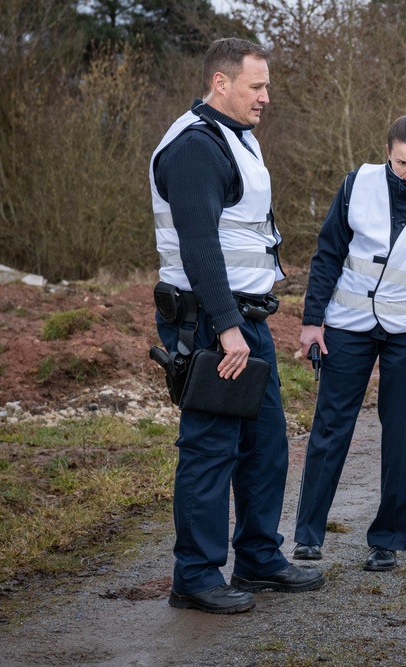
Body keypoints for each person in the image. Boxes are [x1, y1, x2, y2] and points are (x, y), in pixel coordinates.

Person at [150, 37, 325, 615]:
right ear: (221, 83)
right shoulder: (196, 146)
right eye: (257, 86)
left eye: (267, 86)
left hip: (244, 321)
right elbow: (200, 248)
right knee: (209, 450)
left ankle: (256, 556)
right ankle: (195, 576)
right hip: (211, 324)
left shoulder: (234, 139)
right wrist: (227, 329)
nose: (266, 97)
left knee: (265, 443)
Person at [292, 109, 406, 573]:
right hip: (348, 323)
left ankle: (388, 539)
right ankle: (308, 535)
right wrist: (313, 320)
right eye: (401, 164)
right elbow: (328, 253)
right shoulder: (357, 184)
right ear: (386, 154)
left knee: (402, 434)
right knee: (330, 428)